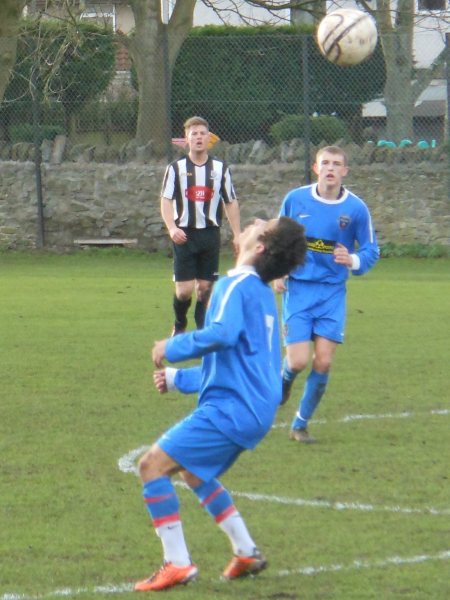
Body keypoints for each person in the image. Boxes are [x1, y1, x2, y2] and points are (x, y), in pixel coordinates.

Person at [134, 216, 307, 592]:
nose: (254, 222)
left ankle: (177, 563)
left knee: (151, 467)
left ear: (259, 246)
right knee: (194, 471)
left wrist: (172, 347)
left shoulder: (234, 285)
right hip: (255, 408)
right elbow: (241, 363)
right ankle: (245, 551)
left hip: (232, 409)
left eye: (263, 224)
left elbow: (222, 336)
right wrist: (181, 379)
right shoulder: (261, 293)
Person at [274, 145, 379, 444]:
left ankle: (300, 424)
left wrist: (354, 260)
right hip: (299, 289)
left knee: (323, 362)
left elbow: (372, 249)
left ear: (345, 171)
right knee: (296, 362)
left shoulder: (356, 209)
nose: (330, 168)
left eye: (337, 164)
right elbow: (279, 239)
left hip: (332, 294)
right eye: (325, 163)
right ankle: (284, 382)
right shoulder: (295, 200)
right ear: (316, 168)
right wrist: (279, 271)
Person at [160, 115, 241, 336]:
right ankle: (179, 323)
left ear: (209, 138)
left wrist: (238, 235)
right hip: (184, 235)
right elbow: (165, 200)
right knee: (185, 291)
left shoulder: (220, 168)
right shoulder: (175, 169)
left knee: (206, 289)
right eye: (193, 133)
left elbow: (231, 201)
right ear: (186, 138)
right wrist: (172, 228)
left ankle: (202, 333)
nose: (198, 137)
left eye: (202, 133)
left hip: (210, 234)